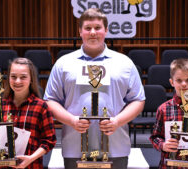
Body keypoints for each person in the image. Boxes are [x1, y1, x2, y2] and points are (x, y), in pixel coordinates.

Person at [44, 8, 145, 169]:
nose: (93, 32)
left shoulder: (124, 63)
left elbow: (138, 100)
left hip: (115, 147)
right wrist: (71, 120)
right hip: (75, 147)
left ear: (106, 30)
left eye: (97, 28)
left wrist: (117, 121)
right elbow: (50, 100)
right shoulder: (64, 63)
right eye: (87, 28)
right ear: (80, 31)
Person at [0, 58, 56, 169]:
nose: (17, 81)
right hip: (2, 166)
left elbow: (49, 141)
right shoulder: (1, 105)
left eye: (23, 77)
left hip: (31, 165)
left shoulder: (41, 107)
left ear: (31, 79)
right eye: (13, 77)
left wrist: (31, 158)